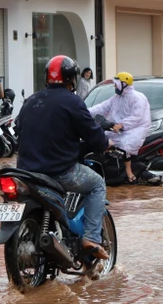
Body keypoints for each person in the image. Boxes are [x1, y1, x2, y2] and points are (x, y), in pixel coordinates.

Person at [15, 55, 109, 259]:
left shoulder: (31, 100)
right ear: (71, 79)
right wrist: (105, 143)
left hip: (25, 173)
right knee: (97, 185)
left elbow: (18, 130)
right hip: (60, 172)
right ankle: (91, 238)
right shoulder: (73, 102)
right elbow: (93, 134)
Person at [88, 72, 151, 183]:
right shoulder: (116, 98)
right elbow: (101, 107)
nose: (115, 87)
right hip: (117, 128)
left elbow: (137, 116)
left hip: (137, 128)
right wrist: (83, 112)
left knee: (124, 143)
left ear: (124, 84)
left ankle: (128, 171)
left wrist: (122, 124)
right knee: (102, 139)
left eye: (116, 84)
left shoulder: (138, 98)